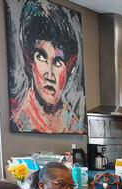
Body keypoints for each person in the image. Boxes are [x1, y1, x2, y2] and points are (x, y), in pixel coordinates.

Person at [10, 0, 84, 133]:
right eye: (42, 57)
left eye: (57, 62)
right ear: (30, 62)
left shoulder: (74, 124)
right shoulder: (19, 121)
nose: (50, 75)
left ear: (69, 69)